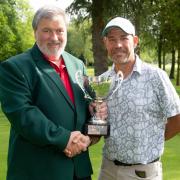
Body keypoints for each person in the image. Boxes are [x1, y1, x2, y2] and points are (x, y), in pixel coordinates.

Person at [0, 6, 107, 180]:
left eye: (59, 30)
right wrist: (65, 138)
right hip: (39, 171)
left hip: (79, 172)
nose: (54, 37)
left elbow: (90, 107)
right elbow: (24, 116)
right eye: (47, 30)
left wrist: (93, 130)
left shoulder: (77, 65)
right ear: (35, 32)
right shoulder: (15, 67)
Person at [98, 17, 180, 180]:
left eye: (124, 38)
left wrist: (151, 141)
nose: (118, 45)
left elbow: (177, 118)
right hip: (107, 169)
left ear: (135, 41)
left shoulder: (156, 76)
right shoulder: (103, 81)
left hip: (142, 173)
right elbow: (99, 124)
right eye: (112, 39)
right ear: (106, 43)